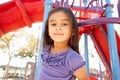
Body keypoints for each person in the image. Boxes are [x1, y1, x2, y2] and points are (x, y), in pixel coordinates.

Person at [39, 7, 88, 80]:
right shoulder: (47, 48)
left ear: (73, 31)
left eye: (64, 24)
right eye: (53, 24)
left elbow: (84, 78)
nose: (58, 28)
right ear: (48, 30)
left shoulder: (71, 58)